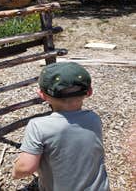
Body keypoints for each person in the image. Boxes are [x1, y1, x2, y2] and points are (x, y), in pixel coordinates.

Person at [12, 62, 110, 191]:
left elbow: (26, 168)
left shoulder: (38, 126)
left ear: (42, 95)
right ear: (89, 92)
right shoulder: (93, 118)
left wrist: (15, 171)